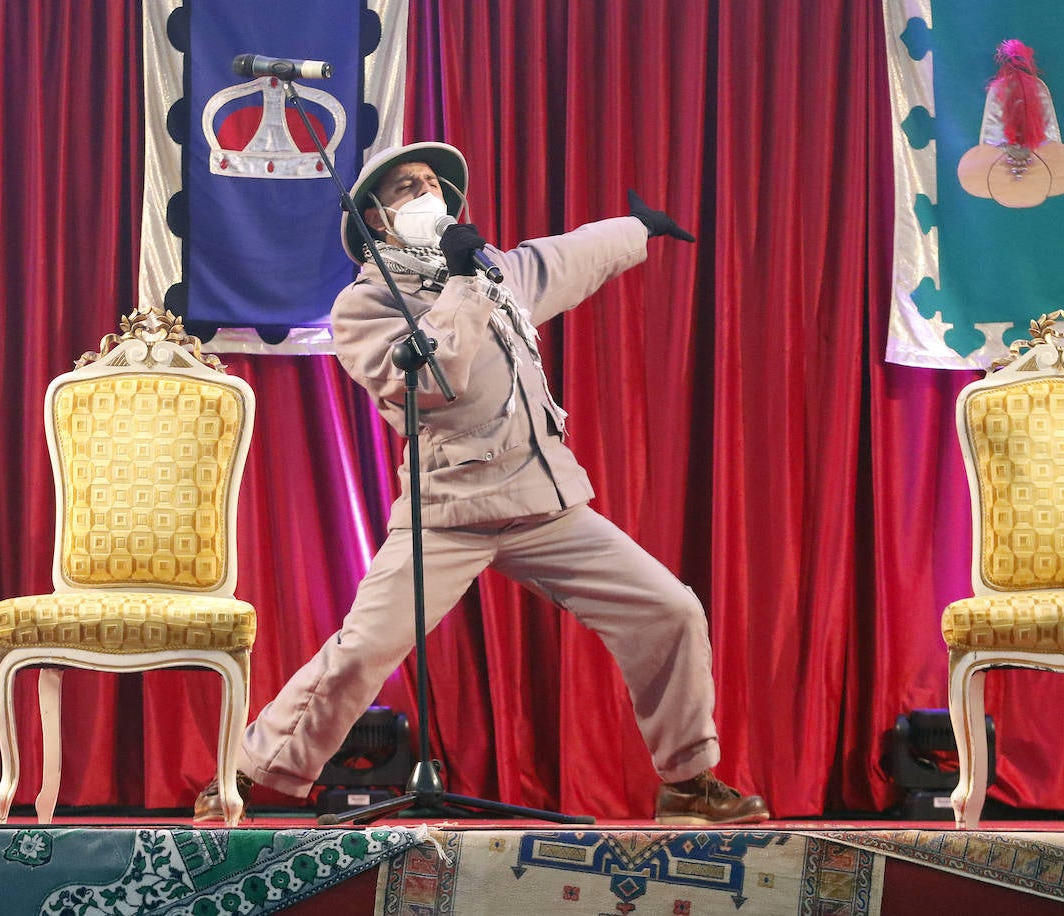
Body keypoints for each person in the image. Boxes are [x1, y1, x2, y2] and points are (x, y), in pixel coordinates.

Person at [194, 141, 768, 825]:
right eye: (408, 187)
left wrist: (636, 228)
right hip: (447, 513)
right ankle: (257, 774)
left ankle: (688, 781)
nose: (427, 193)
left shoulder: (494, 274)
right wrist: (463, 283)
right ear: (375, 217)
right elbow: (437, 381)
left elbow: (560, 259)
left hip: (542, 502)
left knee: (669, 610)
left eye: (433, 183)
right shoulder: (364, 305)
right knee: (365, 650)